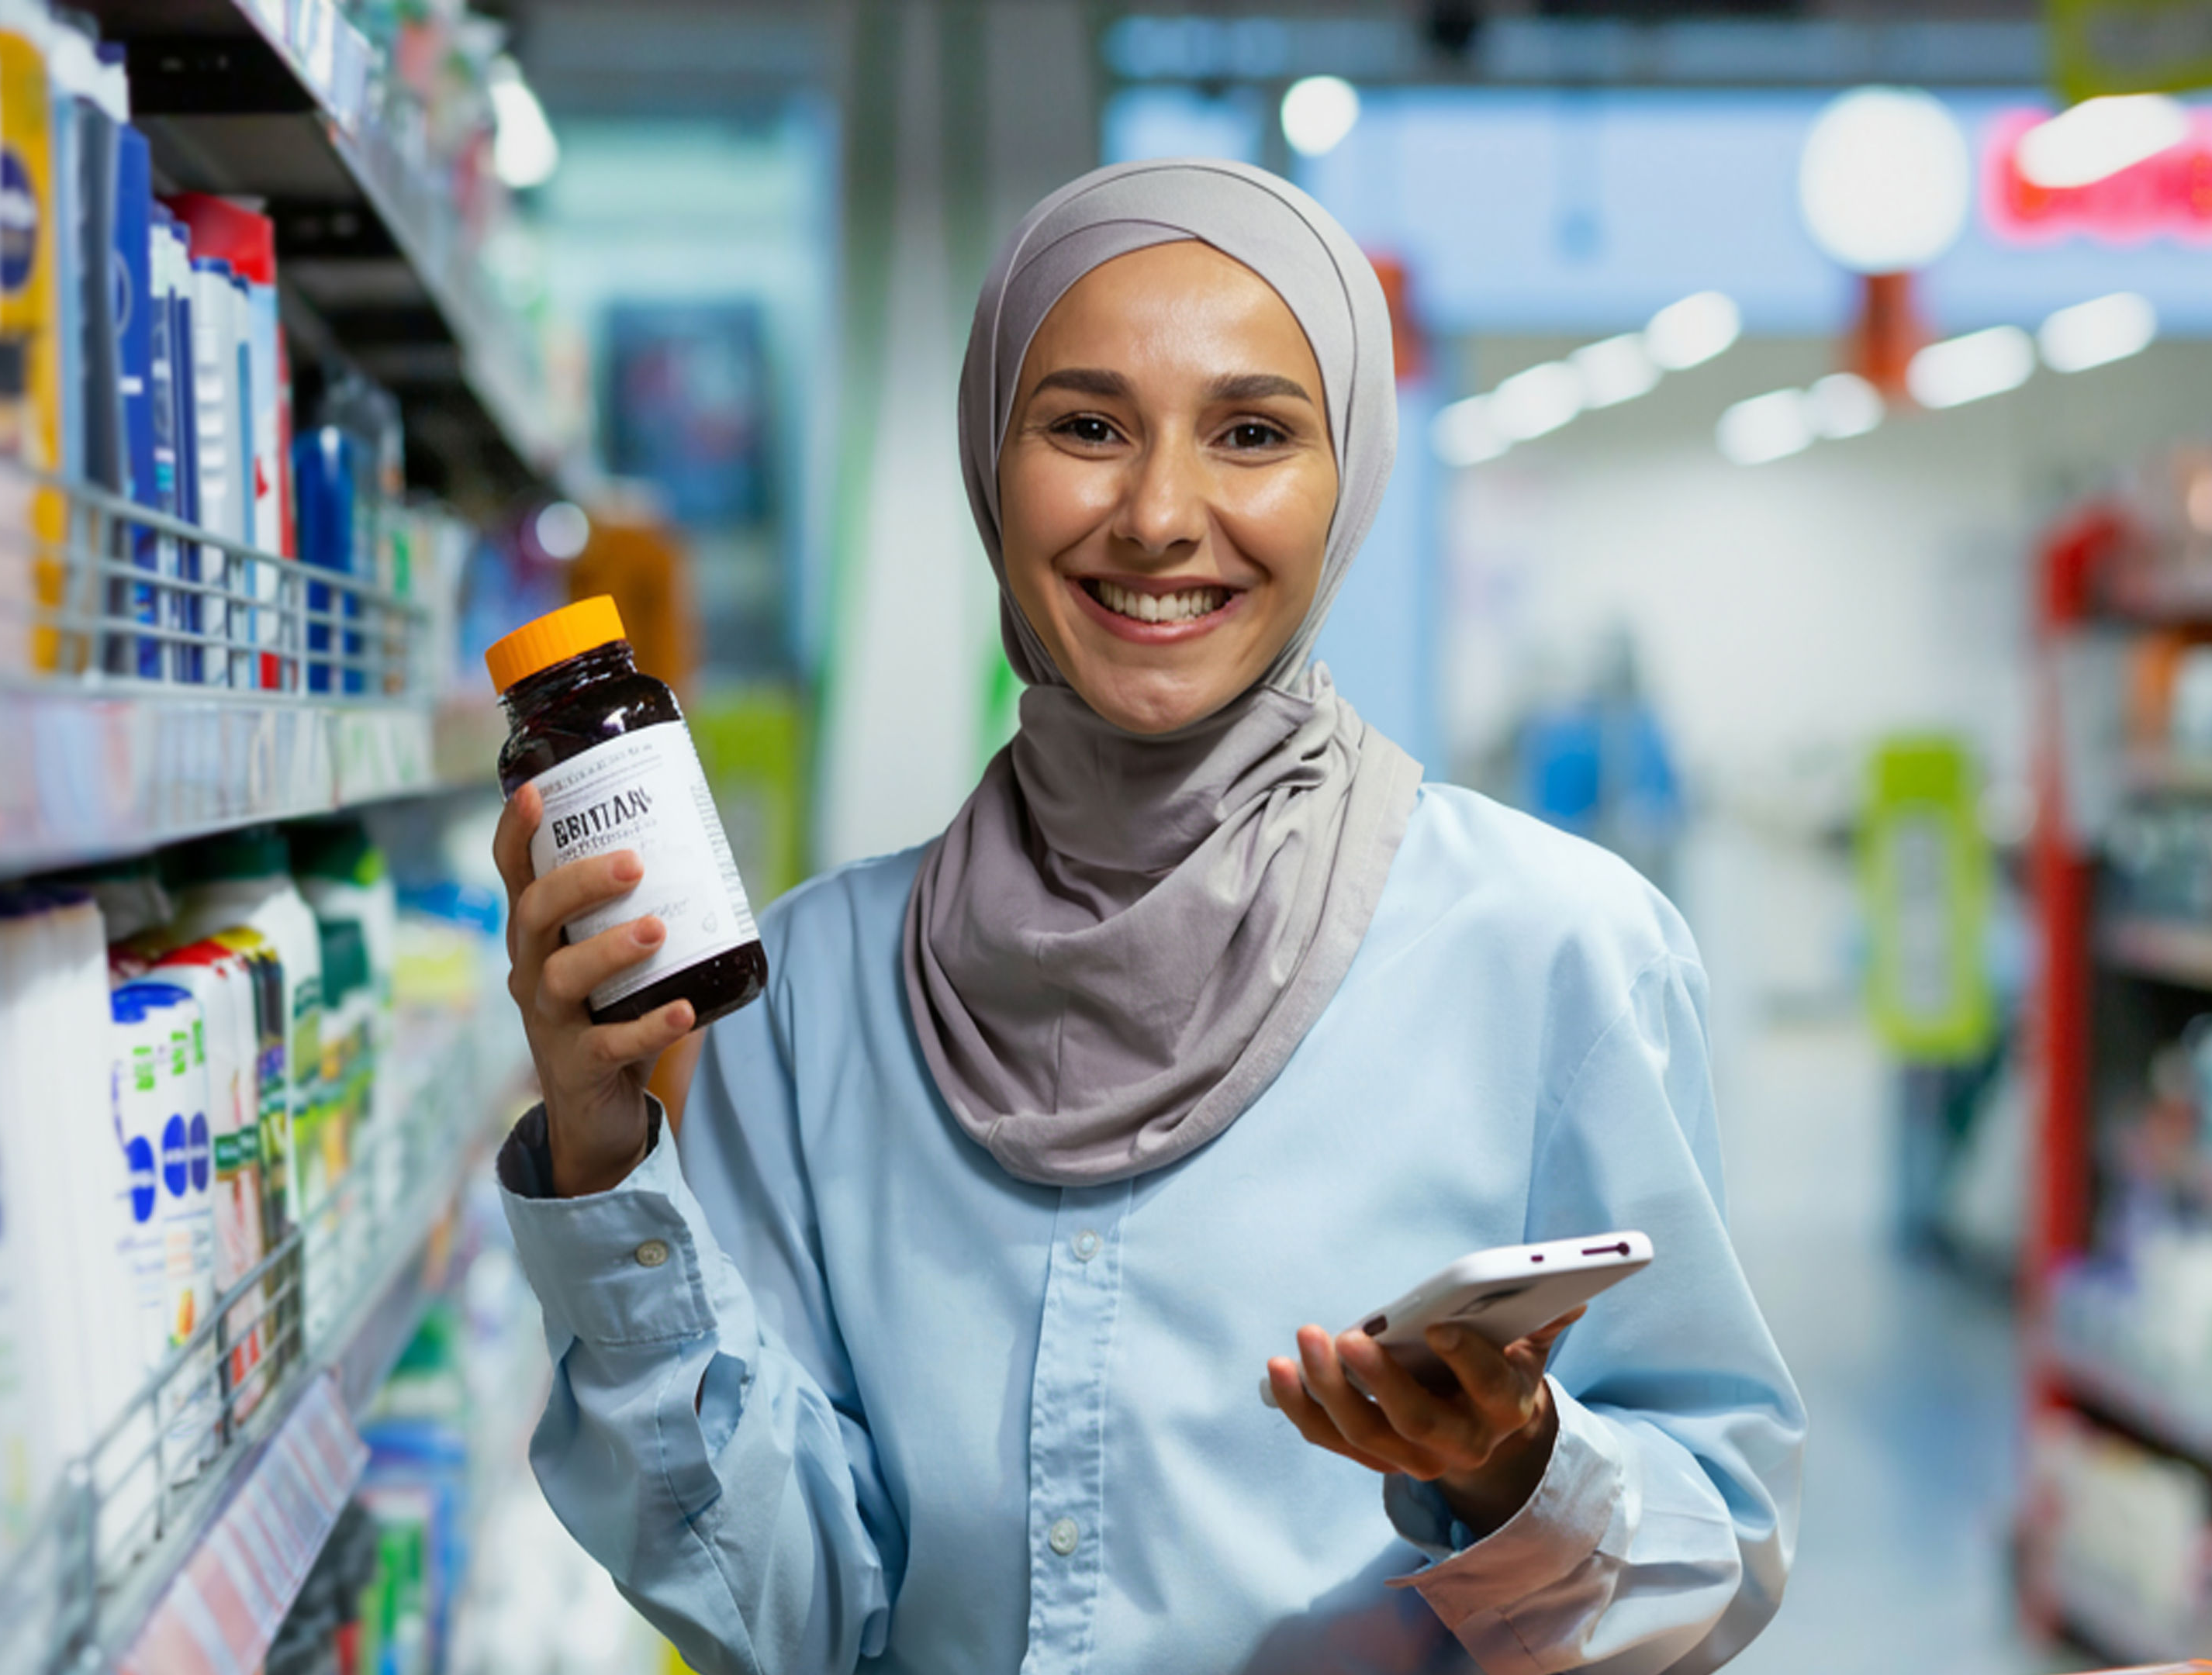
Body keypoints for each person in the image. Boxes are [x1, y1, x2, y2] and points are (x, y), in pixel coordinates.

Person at [489, 158, 1802, 1675]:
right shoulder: (815, 992)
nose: (1161, 515)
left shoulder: (1559, 952)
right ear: (995, 462)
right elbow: (788, 1615)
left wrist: (1515, 1470)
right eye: (1088, 427)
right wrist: (602, 1160)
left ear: (1351, 478)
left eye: (1253, 433)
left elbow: (1715, 1547)